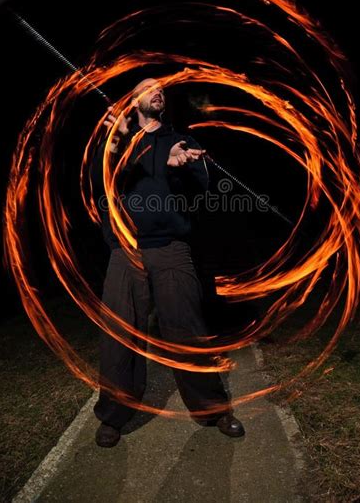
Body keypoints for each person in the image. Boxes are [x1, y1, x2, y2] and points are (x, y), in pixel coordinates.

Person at [91, 78, 245, 447]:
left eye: (161, 87)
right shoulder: (121, 142)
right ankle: (113, 416)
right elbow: (102, 183)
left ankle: (212, 409)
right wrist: (115, 144)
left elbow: (202, 186)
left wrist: (178, 166)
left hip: (171, 248)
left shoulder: (181, 140)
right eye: (149, 86)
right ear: (134, 100)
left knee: (186, 330)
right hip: (125, 250)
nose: (158, 89)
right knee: (119, 336)